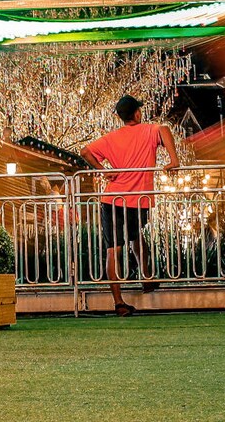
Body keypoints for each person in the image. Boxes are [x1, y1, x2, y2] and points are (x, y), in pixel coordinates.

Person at [82, 94, 178, 316]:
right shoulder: (148, 131)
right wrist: (174, 160)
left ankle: (119, 301)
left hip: (113, 199)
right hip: (138, 199)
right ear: (137, 113)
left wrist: (104, 171)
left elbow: (85, 152)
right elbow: (165, 129)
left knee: (114, 249)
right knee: (136, 236)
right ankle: (146, 277)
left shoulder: (111, 138)